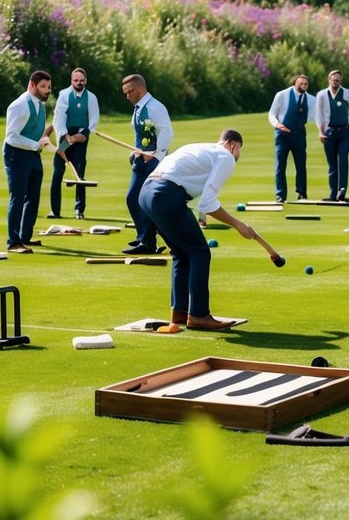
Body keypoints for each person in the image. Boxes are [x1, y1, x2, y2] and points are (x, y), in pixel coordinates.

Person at [138, 130, 255, 331]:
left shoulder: (199, 146)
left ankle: (180, 313)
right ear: (233, 145)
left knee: (181, 254)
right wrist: (238, 225)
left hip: (147, 193)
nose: (238, 156)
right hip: (166, 195)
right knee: (200, 253)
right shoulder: (226, 156)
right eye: (239, 151)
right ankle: (199, 315)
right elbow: (207, 204)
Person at [120, 73, 174, 255]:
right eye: (125, 93)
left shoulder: (155, 107)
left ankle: (148, 241)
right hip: (140, 160)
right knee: (133, 199)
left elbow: (167, 133)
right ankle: (144, 236)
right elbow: (141, 135)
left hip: (152, 162)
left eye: (130, 91)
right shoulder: (138, 107)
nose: (127, 96)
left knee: (139, 198)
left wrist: (156, 155)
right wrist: (134, 152)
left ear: (140, 88)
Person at [3, 70, 52, 253]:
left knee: (33, 196)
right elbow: (12, 136)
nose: (47, 90)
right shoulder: (20, 105)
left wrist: (45, 138)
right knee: (18, 196)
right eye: (43, 87)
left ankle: (25, 237)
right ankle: (13, 242)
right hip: (16, 154)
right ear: (32, 85)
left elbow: (36, 132)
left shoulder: (40, 105)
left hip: (32, 153)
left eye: (49, 87)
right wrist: (35, 144)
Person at [48, 67, 100, 220]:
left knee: (79, 175)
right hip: (64, 137)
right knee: (57, 173)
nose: (79, 83)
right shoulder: (64, 95)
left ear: (86, 81)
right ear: (71, 81)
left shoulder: (91, 98)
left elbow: (93, 120)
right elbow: (59, 117)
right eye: (76, 80)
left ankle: (79, 211)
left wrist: (82, 135)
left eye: (81, 80)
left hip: (81, 137)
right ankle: (55, 211)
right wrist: (65, 137)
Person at [267, 74, 315, 202]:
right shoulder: (282, 95)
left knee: (301, 165)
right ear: (295, 83)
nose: (304, 85)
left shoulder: (311, 99)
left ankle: (302, 194)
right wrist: (278, 125)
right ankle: (280, 195)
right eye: (302, 83)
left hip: (299, 135)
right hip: (282, 135)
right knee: (280, 166)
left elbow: (318, 116)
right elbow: (272, 114)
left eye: (306, 83)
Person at [315, 69, 349, 201]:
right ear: (329, 80)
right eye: (333, 80)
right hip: (329, 132)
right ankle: (333, 194)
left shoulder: (348, 93)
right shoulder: (322, 95)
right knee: (332, 163)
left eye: (338, 80)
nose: (336, 82)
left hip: (344, 131)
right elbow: (319, 115)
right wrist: (320, 132)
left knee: (343, 160)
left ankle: (342, 190)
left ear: (341, 80)